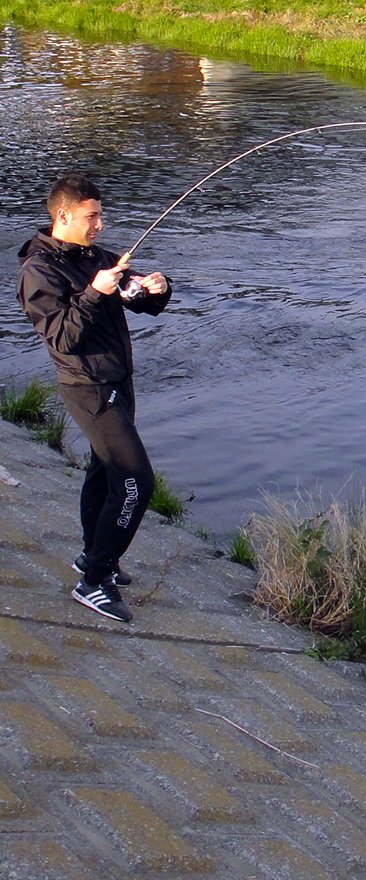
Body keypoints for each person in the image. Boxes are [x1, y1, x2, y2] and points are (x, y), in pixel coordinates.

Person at [17, 174, 172, 623]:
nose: (100, 224)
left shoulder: (94, 256)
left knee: (104, 474)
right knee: (135, 482)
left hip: (119, 379)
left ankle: (91, 557)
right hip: (88, 387)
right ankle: (94, 582)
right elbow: (63, 336)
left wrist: (154, 290)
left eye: (100, 215)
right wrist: (94, 292)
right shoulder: (38, 271)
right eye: (92, 216)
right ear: (62, 215)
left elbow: (133, 297)